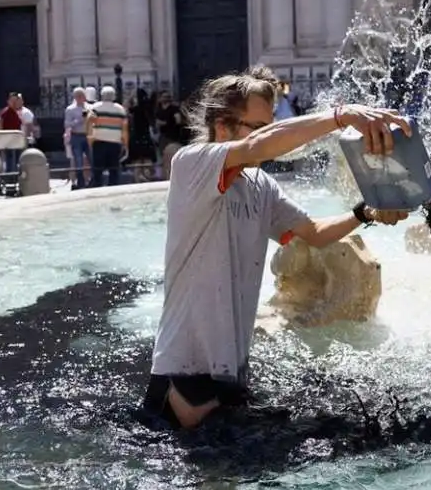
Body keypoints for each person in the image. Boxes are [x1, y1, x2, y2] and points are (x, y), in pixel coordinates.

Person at [141, 65, 410, 430]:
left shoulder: (259, 184)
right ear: (223, 126)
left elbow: (313, 232)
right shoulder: (192, 164)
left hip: (232, 375)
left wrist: (366, 212)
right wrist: (341, 116)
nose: (271, 137)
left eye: (272, 123)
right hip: (183, 375)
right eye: (261, 125)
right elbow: (257, 146)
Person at [86, 85, 129, 187]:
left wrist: (89, 138)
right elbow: (124, 129)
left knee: (97, 169)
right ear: (114, 96)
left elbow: (88, 123)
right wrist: (125, 144)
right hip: (115, 142)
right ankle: (112, 188)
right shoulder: (120, 109)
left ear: (101, 96)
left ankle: (97, 188)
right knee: (114, 169)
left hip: (98, 141)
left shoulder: (95, 108)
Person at [63, 87, 92, 189]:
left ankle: (93, 180)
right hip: (76, 136)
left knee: (91, 158)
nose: (80, 98)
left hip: (88, 135)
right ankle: (81, 182)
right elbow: (67, 124)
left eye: (82, 96)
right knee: (78, 160)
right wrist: (77, 121)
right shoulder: (70, 109)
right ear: (75, 97)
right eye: (78, 96)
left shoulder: (90, 107)